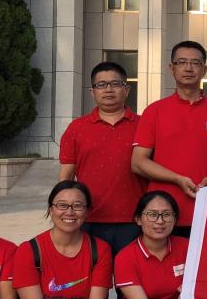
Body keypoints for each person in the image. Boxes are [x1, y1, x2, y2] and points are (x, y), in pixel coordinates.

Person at [132, 40, 207, 239]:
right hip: (161, 214)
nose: (188, 68)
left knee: (205, 259)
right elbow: (138, 162)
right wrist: (177, 179)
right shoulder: (155, 111)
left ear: (204, 70)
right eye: (182, 62)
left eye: (195, 63)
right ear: (172, 68)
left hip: (205, 209)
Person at [59, 61, 146, 254]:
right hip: (88, 219)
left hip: (135, 220)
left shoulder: (144, 125)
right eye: (101, 85)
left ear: (127, 89)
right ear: (93, 92)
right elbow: (66, 175)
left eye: (115, 84)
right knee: (92, 273)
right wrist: (64, 211)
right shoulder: (76, 128)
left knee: (130, 273)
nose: (108, 89)